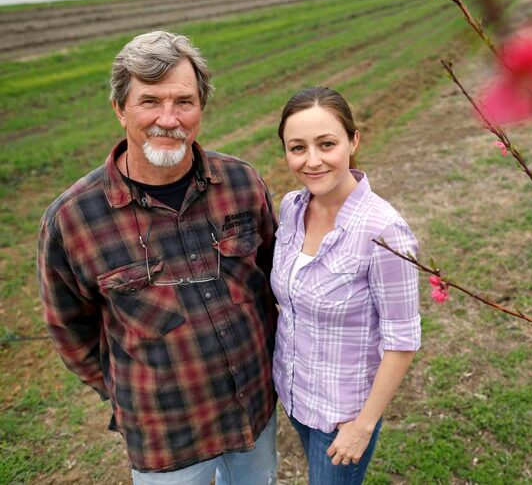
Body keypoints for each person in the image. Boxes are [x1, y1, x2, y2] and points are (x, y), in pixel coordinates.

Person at [37, 31, 279, 484]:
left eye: (183, 102)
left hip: (255, 410)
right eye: (150, 101)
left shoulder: (242, 184)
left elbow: (274, 279)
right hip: (166, 437)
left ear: (200, 108)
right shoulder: (73, 220)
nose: (168, 119)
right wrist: (129, 392)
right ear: (119, 110)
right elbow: (69, 328)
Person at [271, 87, 420, 484]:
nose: (313, 160)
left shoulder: (384, 232)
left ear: (353, 141)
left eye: (326, 144)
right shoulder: (291, 208)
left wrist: (363, 426)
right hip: (295, 396)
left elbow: (402, 340)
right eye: (297, 148)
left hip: (343, 417)